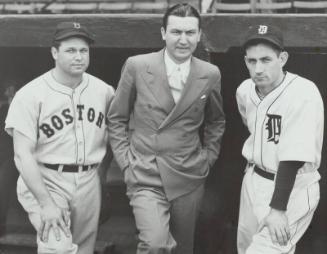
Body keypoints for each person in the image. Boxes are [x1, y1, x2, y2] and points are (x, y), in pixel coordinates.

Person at [108, 3, 225, 254]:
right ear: (163, 33)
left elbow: (216, 121)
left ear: (199, 35)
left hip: (189, 173)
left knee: (183, 248)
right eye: (176, 32)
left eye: (190, 33)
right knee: (155, 244)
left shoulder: (210, 73)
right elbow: (116, 117)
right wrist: (126, 163)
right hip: (145, 171)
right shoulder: (137, 66)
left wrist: (207, 159)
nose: (183, 40)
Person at [5, 22, 115, 254]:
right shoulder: (30, 95)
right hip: (47, 178)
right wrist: (46, 204)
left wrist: (101, 177)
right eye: (70, 50)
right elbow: (21, 154)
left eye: (83, 51)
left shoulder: (104, 91)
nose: (79, 57)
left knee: (84, 249)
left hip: (89, 180)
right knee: (58, 247)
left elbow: (113, 138)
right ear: (54, 52)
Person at [236, 24, 324, 254]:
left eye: (266, 60)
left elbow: (293, 158)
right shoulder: (245, 90)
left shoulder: (303, 92)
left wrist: (277, 209)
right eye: (251, 61)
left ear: (282, 58)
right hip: (254, 180)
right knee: (245, 248)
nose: (258, 68)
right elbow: (252, 128)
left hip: (291, 188)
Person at [0, 80, 18, 236]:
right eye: (8, 92)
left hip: (14, 156)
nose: (9, 95)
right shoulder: (3, 109)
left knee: (3, 188)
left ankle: (1, 227)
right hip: (3, 154)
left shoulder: (23, 110)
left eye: (12, 93)